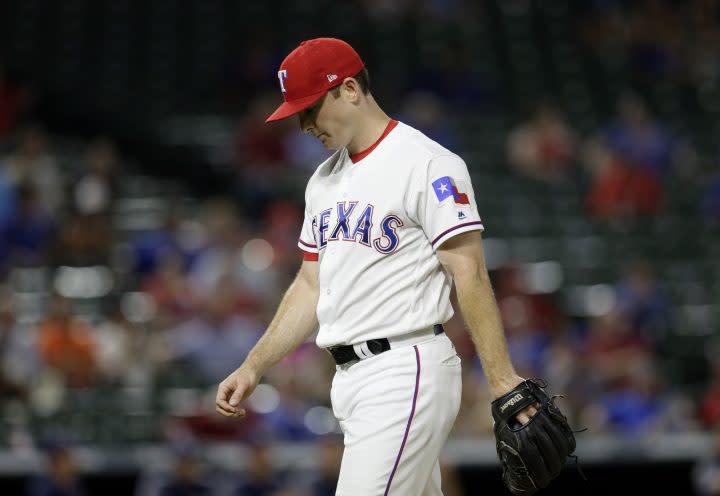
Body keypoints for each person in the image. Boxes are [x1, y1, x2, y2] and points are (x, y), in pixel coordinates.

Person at [215, 38, 542, 495]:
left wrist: (502, 379)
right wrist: (254, 365)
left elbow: (468, 273)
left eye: (310, 108)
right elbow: (311, 286)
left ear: (349, 89)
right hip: (351, 381)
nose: (304, 125)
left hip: (404, 369)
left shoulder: (426, 163)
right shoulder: (322, 182)